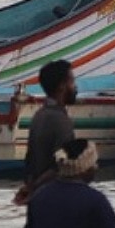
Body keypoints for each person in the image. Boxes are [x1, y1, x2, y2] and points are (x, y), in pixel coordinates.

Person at [14, 59, 78, 204]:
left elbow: (29, 162)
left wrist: (31, 187)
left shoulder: (39, 116)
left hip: (39, 201)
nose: (75, 87)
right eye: (72, 82)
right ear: (62, 86)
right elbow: (62, 166)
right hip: (55, 200)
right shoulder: (61, 121)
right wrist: (34, 188)